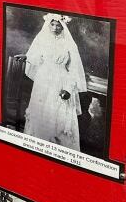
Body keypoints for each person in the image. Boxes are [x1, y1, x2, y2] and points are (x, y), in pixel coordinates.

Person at [20, 14, 87, 151]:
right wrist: (26, 57)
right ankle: (37, 145)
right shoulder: (43, 40)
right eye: (52, 24)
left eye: (58, 25)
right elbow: (35, 57)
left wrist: (68, 88)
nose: (55, 28)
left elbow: (73, 69)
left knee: (57, 114)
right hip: (42, 80)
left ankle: (57, 149)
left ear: (63, 26)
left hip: (59, 81)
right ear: (48, 24)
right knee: (40, 111)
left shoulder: (68, 44)